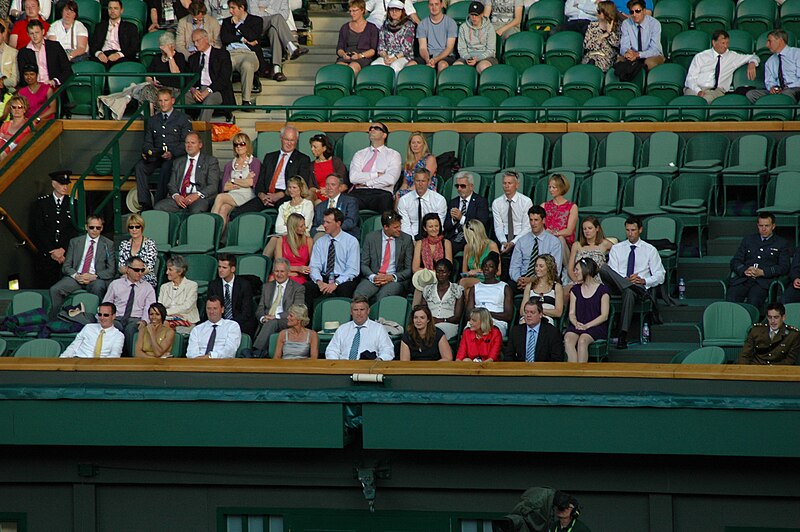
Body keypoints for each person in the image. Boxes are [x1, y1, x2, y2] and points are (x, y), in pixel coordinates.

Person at [601, 216, 665, 349]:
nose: (630, 233)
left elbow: (661, 275)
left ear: (640, 230)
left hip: (638, 285)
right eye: (627, 230)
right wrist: (625, 280)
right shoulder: (617, 248)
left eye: (633, 230)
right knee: (603, 268)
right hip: (620, 284)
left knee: (629, 292)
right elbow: (613, 271)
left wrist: (644, 280)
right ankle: (632, 287)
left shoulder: (650, 249)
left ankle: (622, 335)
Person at [233, 125, 312, 215]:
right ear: (281, 138)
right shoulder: (269, 157)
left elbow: (301, 184)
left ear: (296, 141)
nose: (289, 143)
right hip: (266, 195)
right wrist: (261, 195)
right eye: (286, 139)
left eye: (292, 140)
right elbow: (260, 181)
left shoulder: (303, 159)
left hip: (286, 196)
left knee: (286, 215)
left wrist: (280, 195)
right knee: (237, 213)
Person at [133, 89, 192, 211]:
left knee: (167, 167)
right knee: (140, 166)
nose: (163, 103)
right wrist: (148, 152)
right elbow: (147, 142)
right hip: (157, 155)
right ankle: (145, 203)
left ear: (172, 101)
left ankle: (158, 203)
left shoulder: (183, 119)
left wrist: (172, 153)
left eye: (166, 100)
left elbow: (185, 143)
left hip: (175, 157)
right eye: (160, 101)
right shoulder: (153, 120)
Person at [49, 214, 116, 315]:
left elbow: (111, 270)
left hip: (95, 278)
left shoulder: (108, 244)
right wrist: (76, 276)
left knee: (98, 287)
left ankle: (96, 319)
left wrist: (94, 276)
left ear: (102, 228)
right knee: (55, 290)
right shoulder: (75, 242)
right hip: (76, 277)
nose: (94, 230)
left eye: (98, 228)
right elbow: (66, 266)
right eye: (91, 227)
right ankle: (57, 318)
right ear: (86, 227)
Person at [726, 212, 790, 309]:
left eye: (767, 226)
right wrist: (744, 270)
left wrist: (763, 272)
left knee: (754, 301)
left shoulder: (781, 243)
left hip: (763, 282)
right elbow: (735, 261)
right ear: (757, 225)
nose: (763, 229)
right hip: (744, 279)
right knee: (731, 298)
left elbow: (784, 267)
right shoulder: (748, 240)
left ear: (773, 226)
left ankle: (750, 324)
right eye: (761, 226)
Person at [304, 208, 361, 310]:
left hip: (342, 279)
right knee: (307, 288)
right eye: (324, 222)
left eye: (328, 222)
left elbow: (352, 269)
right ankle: (308, 323)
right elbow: (314, 266)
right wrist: (319, 281)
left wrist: (336, 283)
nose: (324, 225)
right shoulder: (320, 242)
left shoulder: (351, 241)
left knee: (345, 290)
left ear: (338, 223)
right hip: (324, 277)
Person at [30, 170, 79, 288]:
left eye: (67, 184)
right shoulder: (42, 203)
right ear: (53, 184)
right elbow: (38, 229)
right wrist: (52, 250)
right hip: (47, 255)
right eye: (62, 184)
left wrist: (63, 249)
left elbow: (74, 229)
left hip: (66, 255)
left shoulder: (73, 204)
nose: (65, 187)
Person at [154, 131, 221, 214]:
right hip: (180, 197)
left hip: (199, 198)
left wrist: (197, 195)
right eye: (187, 143)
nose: (189, 146)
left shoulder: (210, 161)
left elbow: (213, 186)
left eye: (193, 143)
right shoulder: (178, 162)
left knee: (196, 210)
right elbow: (171, 184)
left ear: (200, 145)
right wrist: (176, 196)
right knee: (158, 207)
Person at [685, 29, 759, 104]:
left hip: (716, 91)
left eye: (727, 43)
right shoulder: (700, 57)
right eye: (723, 43)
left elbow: (754, 57)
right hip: (695, 88)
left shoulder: (732, 56)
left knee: (705, 101)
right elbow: (690, 79)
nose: (725, 46)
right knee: (690, 100)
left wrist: (752, 63)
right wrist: (698, 91)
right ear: (714, 43)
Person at [103, 255, 158, 352]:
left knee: (130, 329)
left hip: (135, 319)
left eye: (142, 270)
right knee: (115, 326)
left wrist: (144, 321)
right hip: (117, 317)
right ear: (128, 269)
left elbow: (149, 309)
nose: (140, 273)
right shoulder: (116, 284)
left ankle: (128, 357)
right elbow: (107, 304)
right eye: (137, 270)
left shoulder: (148, 288)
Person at [355, 210, 413, 302]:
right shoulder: (371, 238)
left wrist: (392, 277)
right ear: (385, 227)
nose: (399, 229)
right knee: (359, 296)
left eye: (399, 226)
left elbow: (409, 269)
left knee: (383, 298)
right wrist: (373, 277)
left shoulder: (406, 239)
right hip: (374, 277)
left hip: (394, 279)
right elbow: (364, 264)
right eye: (395, 227)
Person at [252, 258, 306, 354]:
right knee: (269, 322)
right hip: (266, 321)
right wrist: (263, 318)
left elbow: (297, 310)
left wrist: (276, 317)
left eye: (282, 271)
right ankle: (262, 353)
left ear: (288, 272)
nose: (279, 274)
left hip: (287, 320)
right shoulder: (267, 287)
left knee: (273, 322)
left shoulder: (298, 288)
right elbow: (260, 308)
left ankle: (256, 351)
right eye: (276, 271)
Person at [349, 122, 402, 214]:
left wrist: (367, 183)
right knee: (347, 201)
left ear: (384, 135)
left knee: (386, 201)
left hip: (381, 193)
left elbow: (390, 179)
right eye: (370, 128)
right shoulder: (359, 154)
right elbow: (353, 177)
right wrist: (376, 174)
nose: (372, 130)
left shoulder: (393, 155)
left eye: (376, 128)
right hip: (360, 192)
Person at [212, 133, 261, 230]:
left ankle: (210, 228)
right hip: (231, 194)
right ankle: (221, 239)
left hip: (247, 195)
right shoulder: (230, 165)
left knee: (220, 197)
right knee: (223, 208)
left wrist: (233, 180)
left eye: (242, 144)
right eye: (236, 144)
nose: (239, 147)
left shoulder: (254, 162)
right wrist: (244, 181)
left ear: (247, 145)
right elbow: (225, 187)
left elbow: (251, 183)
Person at [565, 257, 610, 363]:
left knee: (583, 340)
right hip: (578, 324)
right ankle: (572, 371)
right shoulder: (575, 290)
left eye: (577, 269)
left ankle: (581, 373)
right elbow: (571, 313)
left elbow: (604, 315)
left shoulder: (603, 290)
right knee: (568, 339)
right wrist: (576, 323)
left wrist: (587, 326)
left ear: (586, 270)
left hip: (595, 326)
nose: (574, 272)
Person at [184, 29, 234, 123]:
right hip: (197, 90)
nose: (195, 44)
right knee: (177, 98)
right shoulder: (193, 58)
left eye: (197, 41)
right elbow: (188, 79)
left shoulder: (222, 55)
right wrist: (193, 89)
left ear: (206, 39)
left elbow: (224, 79)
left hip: (217, 90)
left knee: (209, 100)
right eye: (194, 41)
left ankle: (201, 130)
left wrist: (208, 90)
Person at [251, 0, 308, 82]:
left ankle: (277, 70)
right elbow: (254, 14)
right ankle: (291, 46)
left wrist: (265, 10)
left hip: (274, 25)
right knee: (277, 18)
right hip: (257, 25)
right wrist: (273, 14)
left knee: (274, 30)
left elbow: (285, 15)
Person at [510, 206, 563, 292]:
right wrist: (519, 279)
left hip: (544, 279)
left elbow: (555, 270)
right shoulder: (521, 241)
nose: (533, 223)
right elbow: (514, 266)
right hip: (523, 279)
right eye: (531, 220)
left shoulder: (554, 242)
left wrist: (533, 280)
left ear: (543, 220)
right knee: (507, 288)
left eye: (536, 220)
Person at [325, 295, 395, 360]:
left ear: (368, 311)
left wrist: (379, 360)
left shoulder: (379, 329)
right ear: (351, 312)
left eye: (362, 310)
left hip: (368, 368)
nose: (359, 313)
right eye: (355, 310)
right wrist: (336, 364)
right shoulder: (342, 329)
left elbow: (388, 350)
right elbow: (332, 350)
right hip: (343, 367)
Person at [220, 0, 262, 108]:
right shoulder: (226, 22)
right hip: (231, 53)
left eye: (233, 8)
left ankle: (246, 101)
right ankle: (227, 101)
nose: (230, 11)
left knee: (247, 65)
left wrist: (238, 25)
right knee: (225, 64)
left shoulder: (256, 20)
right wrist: (242, 39)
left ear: (242, 8)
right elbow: (225, 38)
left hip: (249, 53)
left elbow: (253, 36)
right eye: (230, 8)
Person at [492, 170, 533, 278]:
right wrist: (503, 242)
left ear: (517, 185)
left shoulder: (526, 201)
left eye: (509, 183)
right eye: (504, 183)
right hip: (503, 236)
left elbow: (527, 227)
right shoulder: (497, 203)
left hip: (521, 236)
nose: (506, 186)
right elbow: (498, 226)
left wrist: (513, 242)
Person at [18, 12, 71, 93]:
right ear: (28, 34)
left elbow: (67, 70)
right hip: (33, 89)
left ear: (43, 32)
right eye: (31, 33)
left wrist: (55, 81)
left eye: (37, 32)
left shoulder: (55, 47)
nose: (34, 36)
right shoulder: (23, 52)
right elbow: (23, 76)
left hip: (54, 87)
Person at [207, 253, 256, 338]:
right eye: (219, 267)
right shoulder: (213, 285)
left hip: (240, 322)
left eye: (224, 268)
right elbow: (211, 308)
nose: (220, 270)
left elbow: (246, 312)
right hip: (219, 321)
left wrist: (229, 324)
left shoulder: (244, 285)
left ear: (232, 269)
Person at [416, 257, 464, 340]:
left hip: (449, 324)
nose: (440, 274)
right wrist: (429, 320)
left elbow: (457, 317)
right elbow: (423, 310)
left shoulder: (457, 289)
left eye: (443, 272)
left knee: (434, 332)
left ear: (449, 273)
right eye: (438, 271)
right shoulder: (428, 289)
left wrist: (441, 320)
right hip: (428, 323)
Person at [444, 171, 491, 255]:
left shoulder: (480, 202)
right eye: (457, 186)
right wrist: (453, 220)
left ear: (471, 187)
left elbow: (480, 225)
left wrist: (461, 218)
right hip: (452, 237)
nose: (459, 189)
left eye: (462, 186)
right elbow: (446, 226)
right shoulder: (453, 202)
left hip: (471, 237)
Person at [747, 30, 800, 103]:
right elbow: (769, 81)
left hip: (795, 89)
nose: (767, 45)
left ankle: (787, 112)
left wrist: (787, 87)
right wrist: (772, 87)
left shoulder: (797, 54)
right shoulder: (770, 61)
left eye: (769, 41)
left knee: (786, 93)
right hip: (779, 91)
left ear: (780, 41)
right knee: (751, 94)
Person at [468, 252, 514, 337]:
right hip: (476, 321)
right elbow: (468, 313)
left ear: (496, 270)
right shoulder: (475, 288)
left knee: (488, 332)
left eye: (491, 266)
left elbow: (508, 315)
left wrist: (486, 315)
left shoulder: (504, 287)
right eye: (485, 266)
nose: (487, 268)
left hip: (496, 322)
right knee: (468, 332)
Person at [406, 0, 457, 71]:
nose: (434, 7)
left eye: (436, 4)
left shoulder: (451, 23)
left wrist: (435, 60)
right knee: (410, 65)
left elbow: (449, 48)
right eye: (431, 5)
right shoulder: (422, 24)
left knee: (442, 65)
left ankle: (439, 81)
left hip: (446, 56)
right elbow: (422, 48)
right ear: (428, 6)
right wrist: (427, 60)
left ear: (441, 5)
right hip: (428, 56)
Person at [142, 32, 189, 109]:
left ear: (173, 46)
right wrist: (152, 82)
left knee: (162, 97)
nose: (162, 49)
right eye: (161, 46)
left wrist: (170, 55)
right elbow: (148, 76)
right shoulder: (157, 58)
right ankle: (151, 117)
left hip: (172, 90)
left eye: (165, 47)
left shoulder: (179, 57)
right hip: (158, 89)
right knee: (147, 90)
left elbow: (176, 74)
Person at [60, 302, 124, 358]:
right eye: (100, 314)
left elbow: (114, 356)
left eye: (106, 315)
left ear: (113, 316)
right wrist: (61, 360)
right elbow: (73, 348)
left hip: (100, 366)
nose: (102, 318)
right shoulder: (88, 327)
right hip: (79, 361)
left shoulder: (118, 335)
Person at [542, 173, 579, 270]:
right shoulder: (544, 206)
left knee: (560, 239)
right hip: (546, 240)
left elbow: (569, 231)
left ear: (561, 187)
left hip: (564, 242)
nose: (551, 190)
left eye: (554, 187)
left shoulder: (572, 207)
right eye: (550, 187)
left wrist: (554, 233)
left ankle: (568, 271)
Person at [90, 0, 140, 70]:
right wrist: (98, 54)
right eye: (110, 8)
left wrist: (118, 55)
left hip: (121, 56)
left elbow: (133, 48)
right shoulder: (100, 26)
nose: (112, 11)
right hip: (103, 55)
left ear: (121, 10)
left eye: (115, 8)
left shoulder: (130, 27)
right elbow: (93, 46)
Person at [398, 168, 447, 239]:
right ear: (414, 181)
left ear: (429, 181)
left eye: (423, 181)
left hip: (432, 237)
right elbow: (405, 226)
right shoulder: (404, 200)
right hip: (411, 237)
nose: (420, 184)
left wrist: (426, 242)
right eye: (418, 181)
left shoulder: (439, 200)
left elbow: (439, 226)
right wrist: (412, 241)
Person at [617, 0, 664, 72]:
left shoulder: (654, 24)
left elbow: (655, 49)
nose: (634, 14)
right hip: (633, 55)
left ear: (644, 11)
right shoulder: (626, 23)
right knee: (619, 60)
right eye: (632, 12)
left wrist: (638, 55)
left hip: (652, 55)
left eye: (637, 11)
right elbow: (624, 46)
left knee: (649, 63)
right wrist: (627, 53)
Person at [372, 0, 416, 76]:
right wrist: (385, 57)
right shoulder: (385, 24)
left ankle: (394, 87)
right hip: (388, 55)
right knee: (375, 65)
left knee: (395, 66)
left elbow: (407, 48)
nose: (394, 12)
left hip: (403, 56)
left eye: (397, 10)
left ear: (402, 11)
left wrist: (395, 58)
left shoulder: (409, 25)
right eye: (392, 9)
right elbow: (381, 46)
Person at [567, 215, 613, 287]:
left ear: (597, 228)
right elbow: (570, 269)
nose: (587, 231)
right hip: (578, 281)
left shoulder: (605, 244)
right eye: (584, 229)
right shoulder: (576, 245)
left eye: (590, 228)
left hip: (597, 282)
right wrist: (577, 281)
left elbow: (619, 252)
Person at [519, 254, 564, 326]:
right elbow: (522, 311)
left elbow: (558, 312)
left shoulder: (557, 287)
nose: (537, 269)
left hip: (546, 319)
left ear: (549, 268)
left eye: (541, 266)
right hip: (529, 319)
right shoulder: (530, 286)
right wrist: (533, 314)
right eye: (536, 266)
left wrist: (539, 311)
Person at [336, 0, 378, 75]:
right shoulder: (345, 27)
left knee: (352, 68)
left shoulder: (371, 28)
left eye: (354, 11)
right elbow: (339, 48)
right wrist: (343, 54)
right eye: (350, 11)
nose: (352, 14)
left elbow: (373, 50)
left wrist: (360, 55)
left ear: (362, 10)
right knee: (339, 68)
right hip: (347, 57)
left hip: (363, 57)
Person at [454, 1, 497, 73]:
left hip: (485, 57)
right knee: (456, 67)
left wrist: (478, 59)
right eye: (472, 15)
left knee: (483, 66)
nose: (474, 17)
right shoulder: (463, 27)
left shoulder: (489, 27)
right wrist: (468, 58)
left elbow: (491, 50)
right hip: (468, 57)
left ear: (482, 14)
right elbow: (461, 48)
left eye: (476, 15)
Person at [312, 174, 359, 240]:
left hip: (344, 235)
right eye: (327, 184)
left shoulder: (350, 201)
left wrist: (331, 227)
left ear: (340, 187)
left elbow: (350, 222)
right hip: (323, 237)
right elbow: (314, 227)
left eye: (333, 185)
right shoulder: (320, 206)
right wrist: (318, 229)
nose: (329, 187)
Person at [270, 213, 313, 286]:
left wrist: (299, 271)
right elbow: (278, 264)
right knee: (273, 280)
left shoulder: (309, 241)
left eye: (304, 225)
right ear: (293, 227)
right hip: (282, 273)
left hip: (300, 275)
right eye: (301, 226)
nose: (304, 228)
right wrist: (296, 269)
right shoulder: (281, 241)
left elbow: (313, 263)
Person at [117, 213, 158, 289]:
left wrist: (133, 275)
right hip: (127, 276)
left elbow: (149, 267)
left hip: (146, 277)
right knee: (117, 285)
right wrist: (130, 275)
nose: (134, 229)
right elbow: (121, 267)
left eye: (137, 227)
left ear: (142, 228)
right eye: (131, 227)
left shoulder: (150, 244)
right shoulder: (124, 244)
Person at [158, 254, 200, 327]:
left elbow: (187, 307)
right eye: (167, 269)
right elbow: (160, 306)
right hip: (166, 320)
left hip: (186, 320)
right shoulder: (164, 287)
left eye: (170, 269)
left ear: (179, 272)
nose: (167, 272)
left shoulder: (192, 285)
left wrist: (167, 312)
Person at [460, 219, 501, 293]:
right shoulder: (467, 247)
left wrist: (479, 271)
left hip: (488, 279)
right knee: (468, 291)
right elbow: (464, 271)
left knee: (463, 282)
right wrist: (469, 273)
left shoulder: (491, 246)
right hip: (472, 279)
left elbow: (498, 272)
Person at [581, 1, 620, 73]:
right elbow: (587, 45)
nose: (597, 13)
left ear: (606, 12)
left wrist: (609, 33)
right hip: (591, 56)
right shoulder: (592, 25)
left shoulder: (617, 26)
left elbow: (617, 44)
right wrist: (601, 38)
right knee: (586, 65)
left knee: (598, 67)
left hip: (606, 57)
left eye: (599, 11)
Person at [309, 134, 347, 203]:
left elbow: (343, 184)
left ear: (324, 148)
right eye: (311, 146)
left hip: (335, 192)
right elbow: (311, 187)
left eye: (315, 147)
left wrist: (328, 190)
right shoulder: (311, 165)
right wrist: (319, 191)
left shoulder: (336, 162)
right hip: (319, 194)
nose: (312, 149)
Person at [398, 132, 437, 199]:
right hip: (410, 190)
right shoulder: (408, 162)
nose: (415, 145)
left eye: (418, 143)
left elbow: (424, 179)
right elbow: (405, 183)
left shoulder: (430, 158)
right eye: (413, 143)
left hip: (424, 189)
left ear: (423, 145)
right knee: (398, 195)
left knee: (403, 196)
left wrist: (408, 192)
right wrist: (399, 191)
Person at [412, 212, 453, 277]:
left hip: (442, 279)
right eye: (430, 227)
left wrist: (431, 273)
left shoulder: (446, 243)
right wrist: (431, 274)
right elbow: (415, 269)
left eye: (436, 226)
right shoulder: (419, 243)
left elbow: (448, 267)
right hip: (424, 279)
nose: (434, 229)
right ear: (425, 228)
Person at [0, 94, 32, 160]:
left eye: (20, 107)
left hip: (20, 153)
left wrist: (9, 138)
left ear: (24, 109)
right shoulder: (5, 124)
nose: (17, 109)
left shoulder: (30, 124)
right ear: (11, 110)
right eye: (14, 107)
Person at [0, 20, 19, 88]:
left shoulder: (13, 53)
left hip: (7, 89)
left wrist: (2, 82)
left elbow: (15, 79)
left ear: (3, 34)